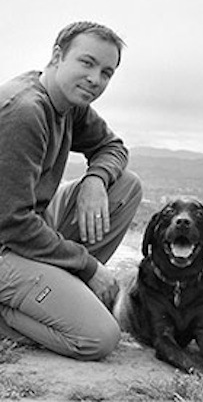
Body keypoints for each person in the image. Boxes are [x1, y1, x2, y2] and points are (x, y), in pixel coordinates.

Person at [0, 22, 142, 360]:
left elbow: (113, 146)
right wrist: (88, 266)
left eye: (107, 72)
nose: (96, 78)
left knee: (125, 186)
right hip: (6, 239)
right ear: (57, 56)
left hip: (26, 227)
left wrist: (95, 179)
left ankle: (59, 290)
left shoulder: (68, 103)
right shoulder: (24, 111)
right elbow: (11, 223)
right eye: (87, 63)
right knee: (99, 338)